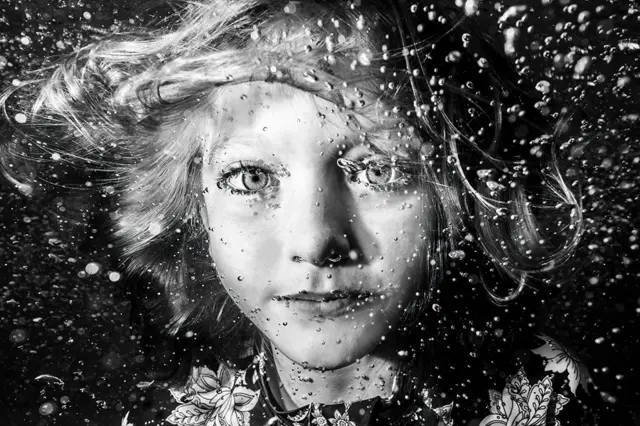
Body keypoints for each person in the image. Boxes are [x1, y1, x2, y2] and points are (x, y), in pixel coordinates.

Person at [1, 1, 602, 425]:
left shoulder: (549, 399)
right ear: (192, 206)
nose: (316, 241)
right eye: (252, 178)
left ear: (460, 197)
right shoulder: (178, 416)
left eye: (382, 170)